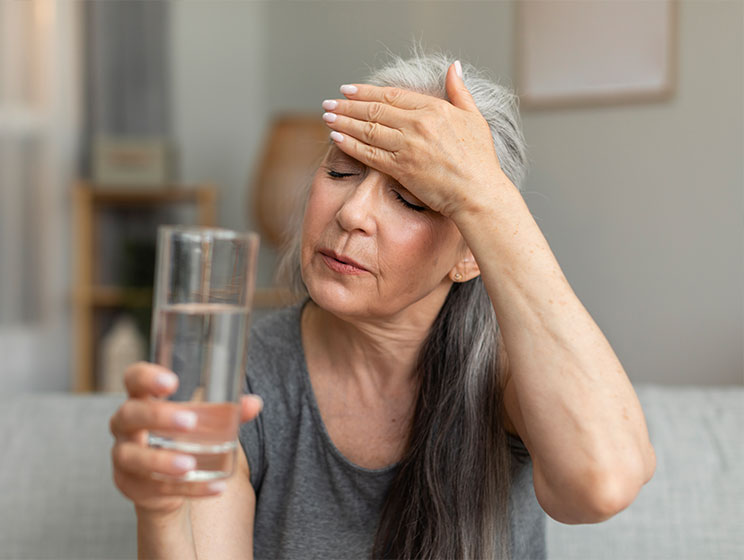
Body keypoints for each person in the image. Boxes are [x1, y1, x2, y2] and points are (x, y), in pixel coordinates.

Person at [109, 49, 656, 560]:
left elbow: (601, 484)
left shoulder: (510, 373)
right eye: (341, 171)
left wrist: (486, 197)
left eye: (411, 199)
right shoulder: (238, 376)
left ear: (469, 254)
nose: (352, 213)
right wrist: (161, 513)